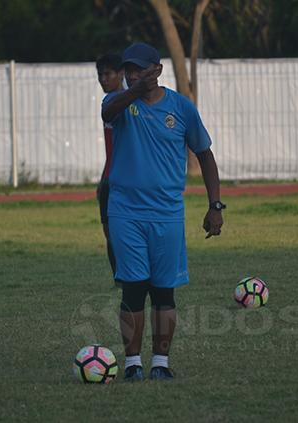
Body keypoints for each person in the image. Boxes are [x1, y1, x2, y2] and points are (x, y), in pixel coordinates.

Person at [101, 42, 225, 381]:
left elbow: (205, 154)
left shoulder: (182, 108)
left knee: (163, 291)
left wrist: (215, 205)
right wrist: (135, 89)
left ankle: (159, 364)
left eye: (139, 69)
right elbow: (107, 113)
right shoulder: (120, 103)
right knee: (133, 289)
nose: (131, 74)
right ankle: (131, 366)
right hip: (126, 212)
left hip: (168, 214)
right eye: (128, 69)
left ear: (157, 69)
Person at [95, 53, 125, 276]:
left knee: (122, 232)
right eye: (100, 75)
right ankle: (120, 277)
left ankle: (128, 276)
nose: (103, 79)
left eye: (108, 74)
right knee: (110, 233)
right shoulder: (110, 102)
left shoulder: (127, 102)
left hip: (124, 180)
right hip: (109, 178)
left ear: (121, 74)